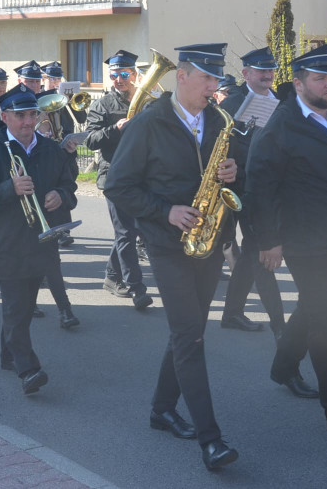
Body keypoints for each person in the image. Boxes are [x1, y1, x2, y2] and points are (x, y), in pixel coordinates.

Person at [105, 43, 240, 471]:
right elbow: (118, 187)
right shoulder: (148, 123)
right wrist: (165, 211)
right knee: (189, 337)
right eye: (207, 79)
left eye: (217, 80)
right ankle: (211, 440)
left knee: (190, 331)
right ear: (181, 76)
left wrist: (234, 172)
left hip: (207, 240)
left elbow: (233, 171)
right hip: (167, 245)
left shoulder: (219, 120)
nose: (214, 88)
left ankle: (162, 409)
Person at [247, 44, 327, 438]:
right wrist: (268, 240)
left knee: (315, 307)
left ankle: (282, 367)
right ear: (298, 83)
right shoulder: (280, 125)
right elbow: (260, 187)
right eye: (318, 78)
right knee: (326, 320)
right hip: (303, 239)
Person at [0, 87, 78, 394]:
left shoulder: (51, 150)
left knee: (26, 306)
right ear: (5, 118)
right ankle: (28, 368)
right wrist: (9, 189)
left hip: (40, 242)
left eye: (32, 115)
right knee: (16, 306)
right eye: (20, 116)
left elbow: (70, 186)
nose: (28, 122)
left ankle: (8, 355)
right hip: (5, 244)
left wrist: (62, 196)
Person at [219, 47, 285, 336]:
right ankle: (280, 327)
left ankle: (232, 313)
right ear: (246, 73)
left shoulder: (280, 102)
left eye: (270, 70)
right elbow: (222, 146)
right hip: (241, 186)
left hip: (268, 186)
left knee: (249, 253)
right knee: (260, 251)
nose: (267, 75)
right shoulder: (233, 103)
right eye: (261, 70)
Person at [84, 49, 153, 309]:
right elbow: (90, 140)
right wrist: (115, 128)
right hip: (114, 176)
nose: (119, 79)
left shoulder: (148, 102)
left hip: (143, 176)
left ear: (135, 75)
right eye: (114, 75)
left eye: (124, 74)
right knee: (125, 232)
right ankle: (136, 287)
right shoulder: (102, 105)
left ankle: (112, 277)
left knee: (133, 231)